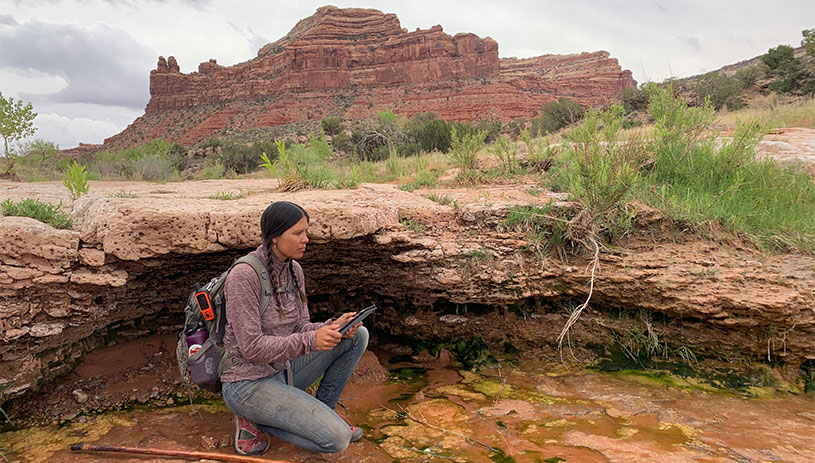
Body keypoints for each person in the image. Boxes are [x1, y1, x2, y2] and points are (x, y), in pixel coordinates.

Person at [220, 201, 368, 455]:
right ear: (275, 237)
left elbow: (300, 326)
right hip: (247, 384)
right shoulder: (244, 275)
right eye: (298, 233)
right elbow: (251, 347)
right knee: (337, 440)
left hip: (282, 370)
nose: (306, 239)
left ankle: (323, 411)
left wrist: (333, 326)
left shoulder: (294, 270)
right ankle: (252, 419)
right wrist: (312, 340)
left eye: (306, 232)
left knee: (356, 336)